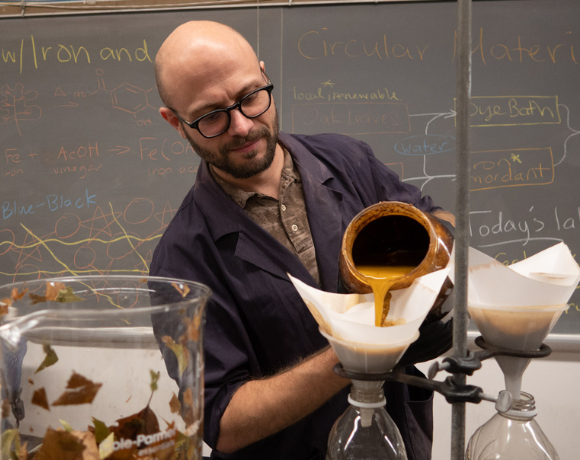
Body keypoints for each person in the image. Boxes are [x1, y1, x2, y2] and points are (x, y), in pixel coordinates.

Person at [149, 20, 455, 460]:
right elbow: (222, 422)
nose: (240, 125)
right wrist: (355, 354)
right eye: (212, 115)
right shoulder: (181, 259)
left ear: (262, 73)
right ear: (176, 123)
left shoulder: (346, 158)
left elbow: (436, 216)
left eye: (250, 97)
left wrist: (435, 268)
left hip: (395, 443)